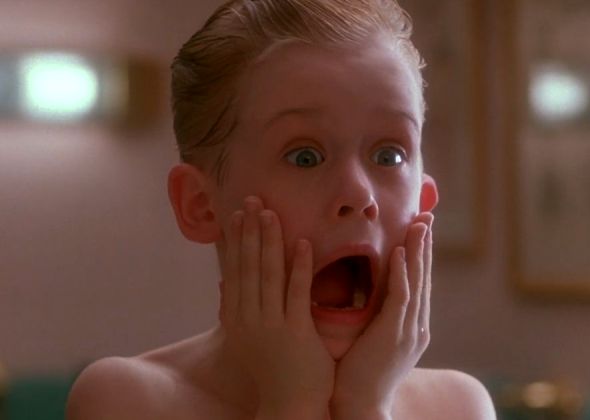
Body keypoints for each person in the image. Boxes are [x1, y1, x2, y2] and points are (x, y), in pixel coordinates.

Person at [66, 0, 496, 419]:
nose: (358, 194)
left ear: (423, 204)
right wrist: (293, 405)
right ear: (200, 206)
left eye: (389, 156)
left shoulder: (460, 408)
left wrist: (367, 407)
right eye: (305, 157)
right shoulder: (127, 401)